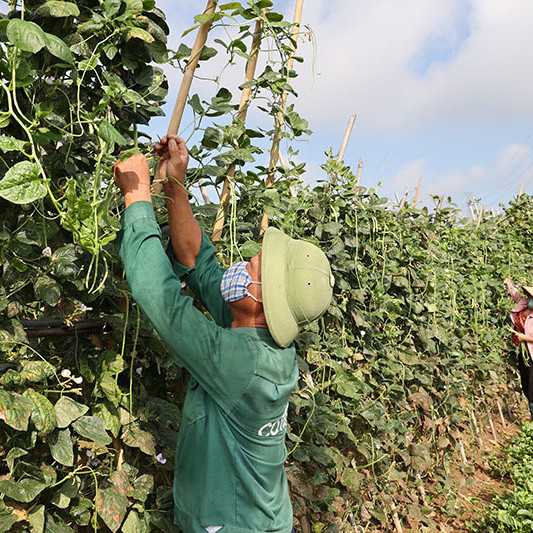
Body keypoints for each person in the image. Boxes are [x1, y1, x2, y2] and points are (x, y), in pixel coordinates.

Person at [113, 135, 334, 533]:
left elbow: (159, 297)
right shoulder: (260, 335)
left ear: (265, 302)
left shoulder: (242, 362)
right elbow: (197, 261)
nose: (242, 267)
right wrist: (175, 185)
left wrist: (138, 197)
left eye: (252, 269)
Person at [504, 278, 533, 419]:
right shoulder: (524, 304)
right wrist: (509, 283)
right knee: (526, 386)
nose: (531, 300)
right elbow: (515, 295)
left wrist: (525, 338)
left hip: (532, 355)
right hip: (523, 353)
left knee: (532, 389)